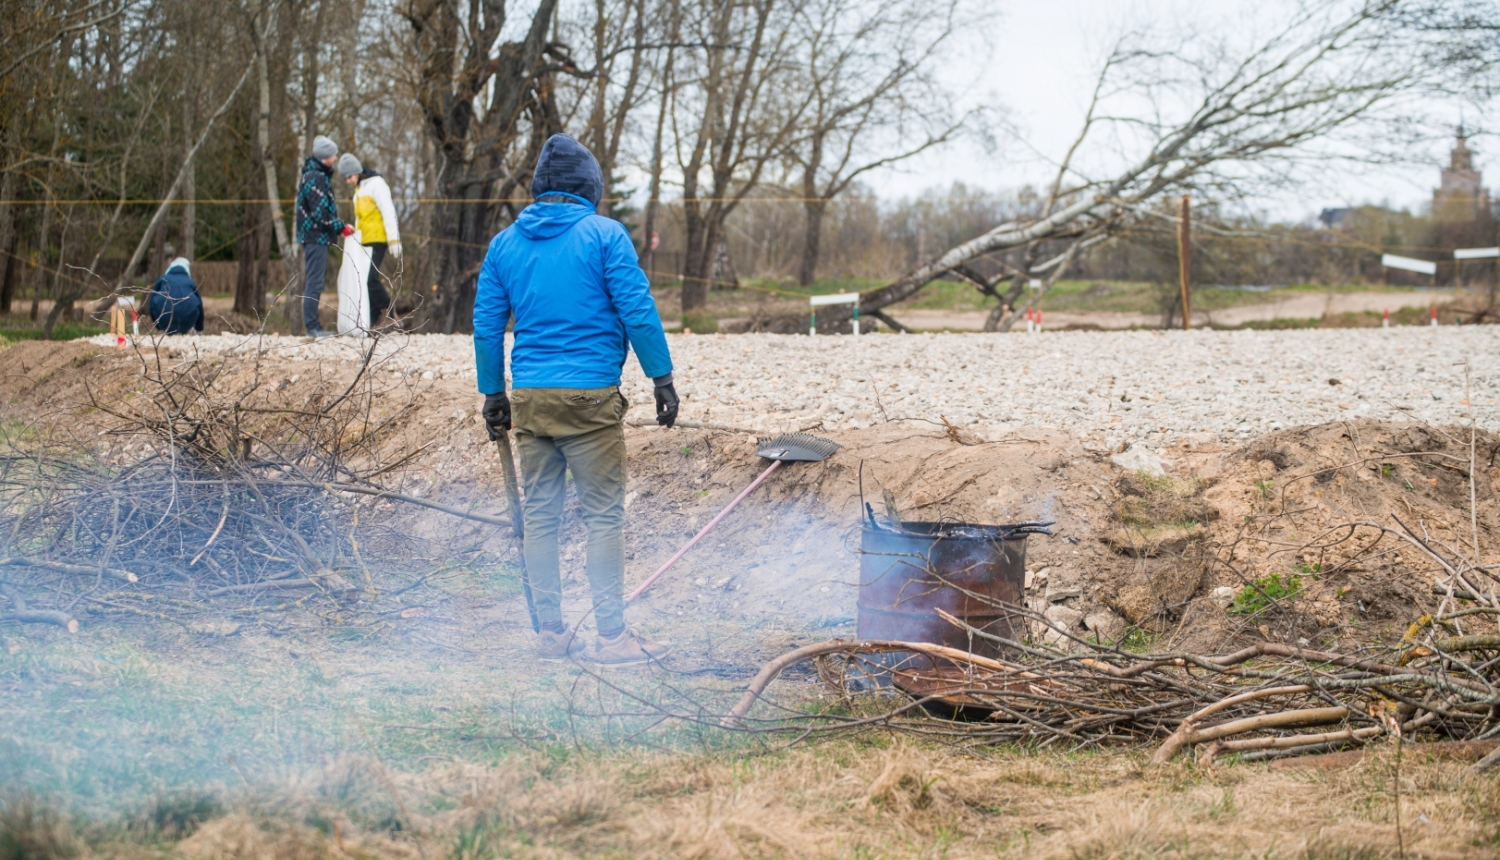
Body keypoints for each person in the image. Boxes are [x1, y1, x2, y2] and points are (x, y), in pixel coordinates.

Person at [474, 133, 680, 667]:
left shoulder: (504, 245)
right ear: (589, 187)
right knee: (603, 518)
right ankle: (612, 638)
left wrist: (493, 392)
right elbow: (637, 310)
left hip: (531, 401)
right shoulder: (606, 236)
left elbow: (487, 326)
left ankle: (551, 634)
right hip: (590, 401)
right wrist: (661, 377)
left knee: (540, 519)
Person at [295, 135, 353, 337]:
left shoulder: (314, 175)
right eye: (333, 155)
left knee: (315, 280)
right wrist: (341, 227)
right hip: (315, 237)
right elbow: (321, 215)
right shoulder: (316, 178)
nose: (336, 158)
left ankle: (313, 326)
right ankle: (312, 328)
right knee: (315, 282)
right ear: (324, 157)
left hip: (314, 236)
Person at [338, 153, 401, 326]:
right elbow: (361, 218)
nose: (348, 181)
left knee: (371, 279)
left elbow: (388, 211)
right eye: (345, 178)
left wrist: (394, 240)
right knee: (365, 282)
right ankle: (375, 321)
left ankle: (390, 312)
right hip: (364, 241)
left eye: (349, 177)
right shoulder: (359, 190)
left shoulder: (376, 185)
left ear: (357, 172)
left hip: (378, 239)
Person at [147, 257, 204, 335]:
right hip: (187, 322)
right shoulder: (190, 281)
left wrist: (158, 326)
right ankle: (186, 331)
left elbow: (151, 305)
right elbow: (200, 306)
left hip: (165, 321)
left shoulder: (162, 279)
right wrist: (199, 329)